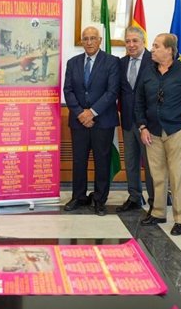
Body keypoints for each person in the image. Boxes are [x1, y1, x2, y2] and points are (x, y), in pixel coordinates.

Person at [135, 34, 181, 236]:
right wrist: (142, 127)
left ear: (169, 50)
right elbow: (138, 102)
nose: (152, 49)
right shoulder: (147, 71)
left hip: (176, 131)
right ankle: (157, 212)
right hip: (152, 132)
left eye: (156, 46)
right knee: (157, 175)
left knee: (177, 176)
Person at [63, 26, 120, 216]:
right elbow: (68, 90)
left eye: (92, 38)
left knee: (102, 161)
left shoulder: (112, 62)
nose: (89, 42)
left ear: (100, 40)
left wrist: (92, 112)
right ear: (81, 41)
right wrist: (81, 113)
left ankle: (99, 200)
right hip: (78, 122)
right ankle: (78, 197)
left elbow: (112, 92)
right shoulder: (73, 63)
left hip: (102, 121)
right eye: (85, 39)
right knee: (79, 161)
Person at [116, 26, 153, 213]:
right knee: (131, 162)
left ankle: (156, 200)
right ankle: (135, 197)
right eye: (128, 41)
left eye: (135, 41)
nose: (131, 45)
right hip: (129, 122)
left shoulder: (153, 61)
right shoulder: (121, 63)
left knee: (151, 164)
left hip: (148, 124)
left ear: (143, 42)